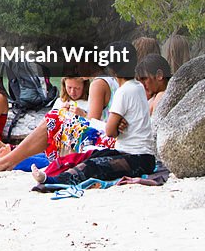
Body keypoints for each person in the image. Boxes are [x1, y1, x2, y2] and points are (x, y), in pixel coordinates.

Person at [33, 42, 156, 187]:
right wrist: (116, 123)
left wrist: (115, 125)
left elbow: (110, 132)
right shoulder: (138, 87)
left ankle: (54, 180)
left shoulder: (123, 92)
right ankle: (51, 175)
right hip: (139, 155)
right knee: (92, 156)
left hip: (137, 158)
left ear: (111, 68)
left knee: (92, 165)